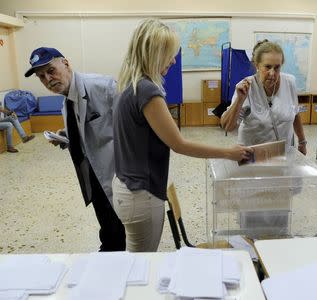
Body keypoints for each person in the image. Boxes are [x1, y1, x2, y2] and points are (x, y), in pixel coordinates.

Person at [113, 19, 253, 252]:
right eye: (169, 54)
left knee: (136, 259)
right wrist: (230, 152)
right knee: (141, 264)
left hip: (125, 186)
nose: (174, 60)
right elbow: (179, 144)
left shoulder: (128, 85)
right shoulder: (147, 90)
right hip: (141, 193)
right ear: (154, 54)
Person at [25, 47, 125, 251]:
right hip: (93, 175)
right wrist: (68, 135)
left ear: (66, 64)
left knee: (120, 231)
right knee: (107, 226)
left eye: (51, 70)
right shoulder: (66, 102)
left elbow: (133, 130)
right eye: (41, 77)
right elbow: (87, 130)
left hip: (117, 176)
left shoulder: (104, 88)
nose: (48, 79)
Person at [220, 40, 307, 155]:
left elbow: (295, 113)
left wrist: (302, 142)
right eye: (267, 67)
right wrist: (239, 100)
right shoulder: (246, 87)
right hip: (252, 154)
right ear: (257, 65)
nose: (272, 73)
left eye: (277, 68)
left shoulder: (289, 82)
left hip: (282, 153)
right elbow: (227, 126)